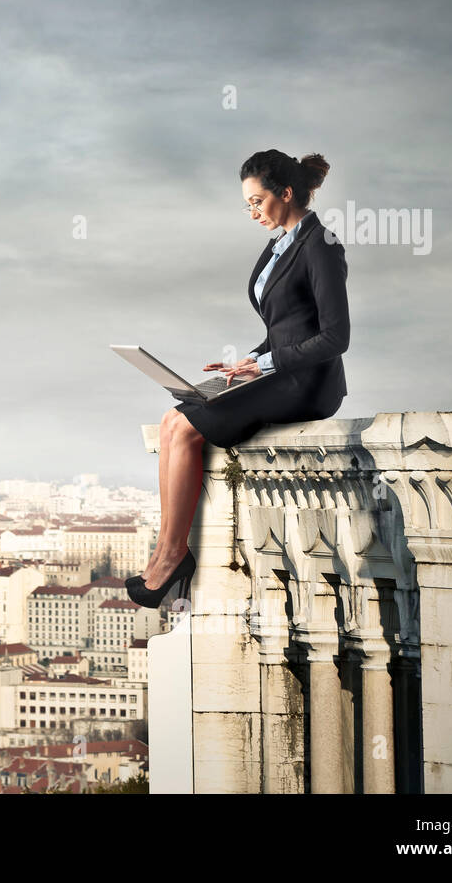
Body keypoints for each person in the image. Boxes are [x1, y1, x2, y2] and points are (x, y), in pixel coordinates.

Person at [125, 150, 349, 608]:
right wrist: (246, 363)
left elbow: (334, 337)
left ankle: (171, 556)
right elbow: (283, 330)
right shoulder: (279, 245)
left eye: (257, 201)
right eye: (247, 204)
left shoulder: (321, 244)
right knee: (173, 417)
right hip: (276, 371)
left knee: (187, 427)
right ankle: (167, 551)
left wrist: (265, 367)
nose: (252, 212)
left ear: (286, 194)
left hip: (307, 384)